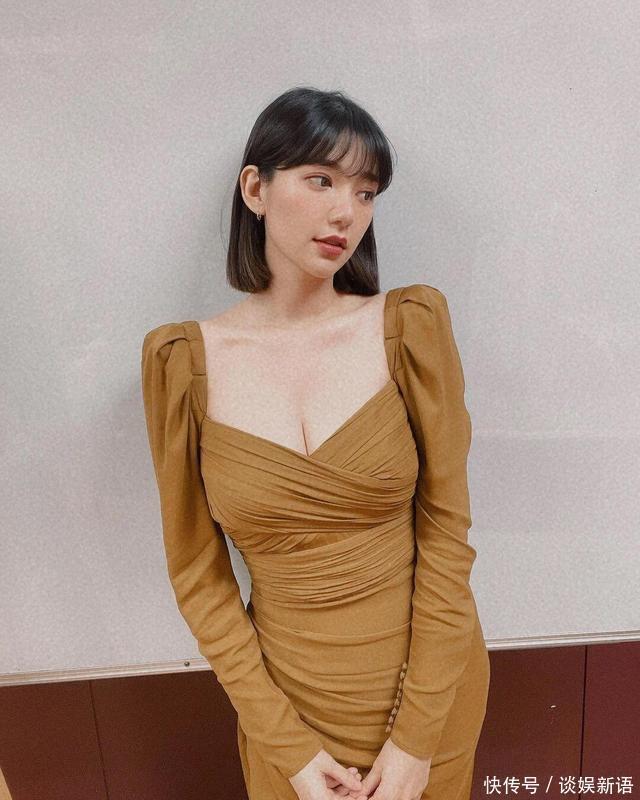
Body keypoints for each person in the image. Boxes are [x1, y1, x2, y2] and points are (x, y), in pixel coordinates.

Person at [141, 86, 490, 800]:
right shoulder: (182, 365)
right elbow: (199, 576)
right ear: (256, 189)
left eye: (366, 193)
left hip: (430, 703)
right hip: (291, 715)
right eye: (321, 180)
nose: (346, 213)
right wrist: (290, 750)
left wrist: (418, 739)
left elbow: (448, 536)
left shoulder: (409, 328)